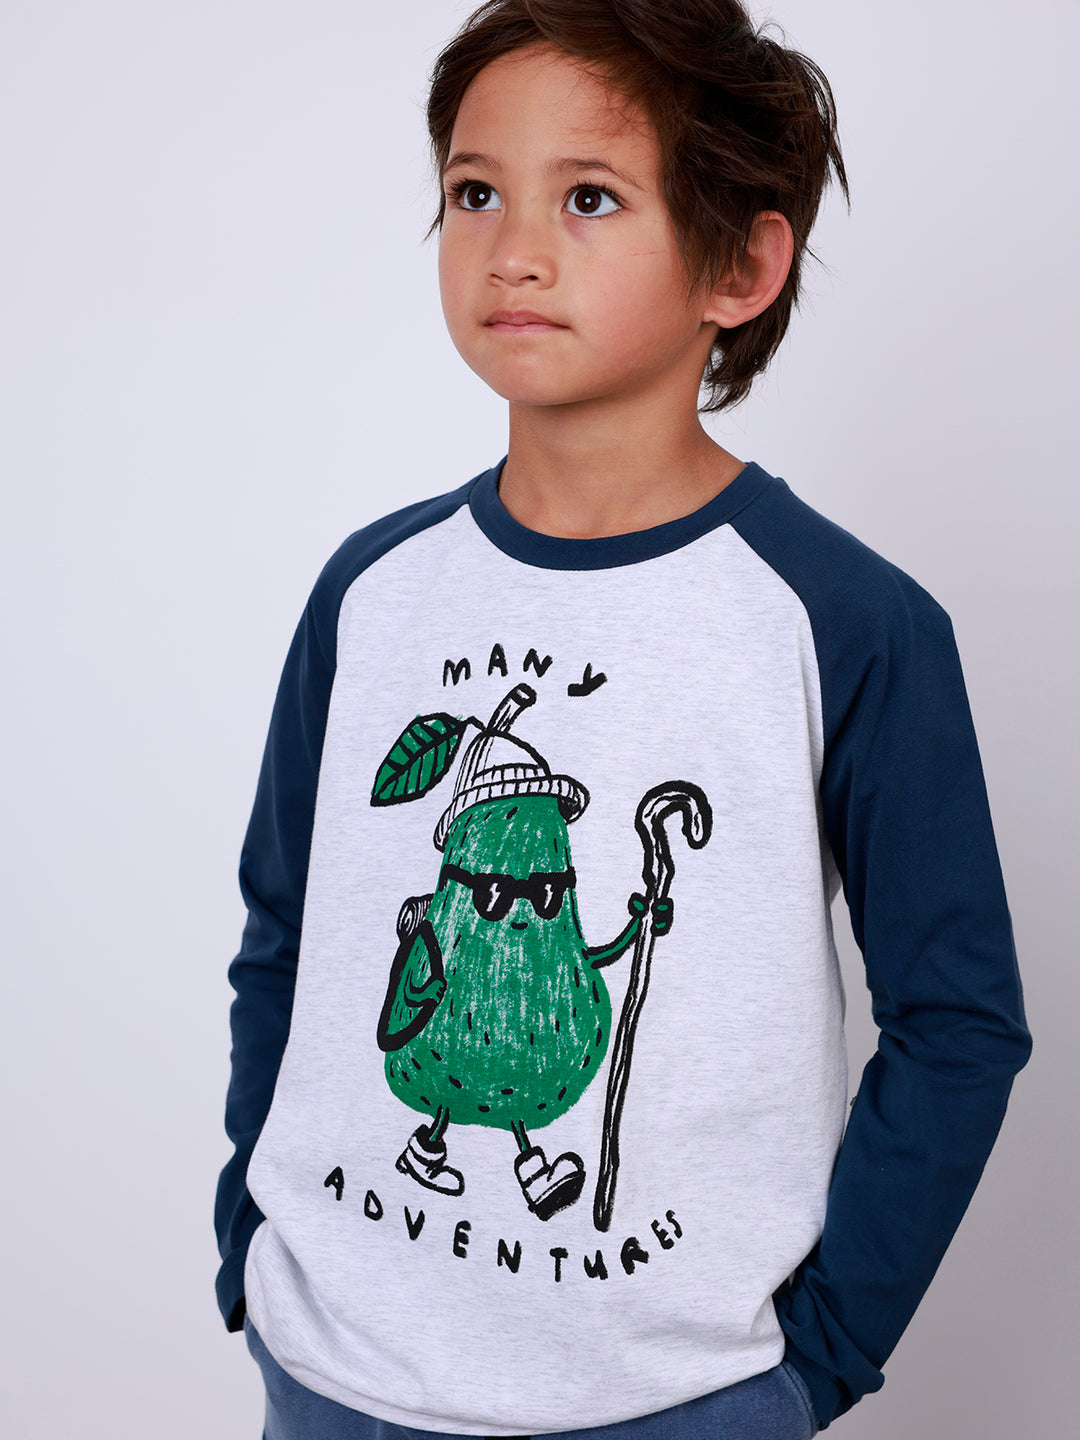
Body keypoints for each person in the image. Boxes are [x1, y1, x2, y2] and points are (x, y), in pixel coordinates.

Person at [214, 2, 1032, 1436]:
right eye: (477, 192)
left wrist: (817, 1357)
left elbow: (958, 1022)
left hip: (678, 1400)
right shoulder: (372, 590)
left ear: (741, 265)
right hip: (332, 1367)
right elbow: (289, 927)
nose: (513, 251)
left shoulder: (843, 621)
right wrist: (252, 1237)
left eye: (589, 198)